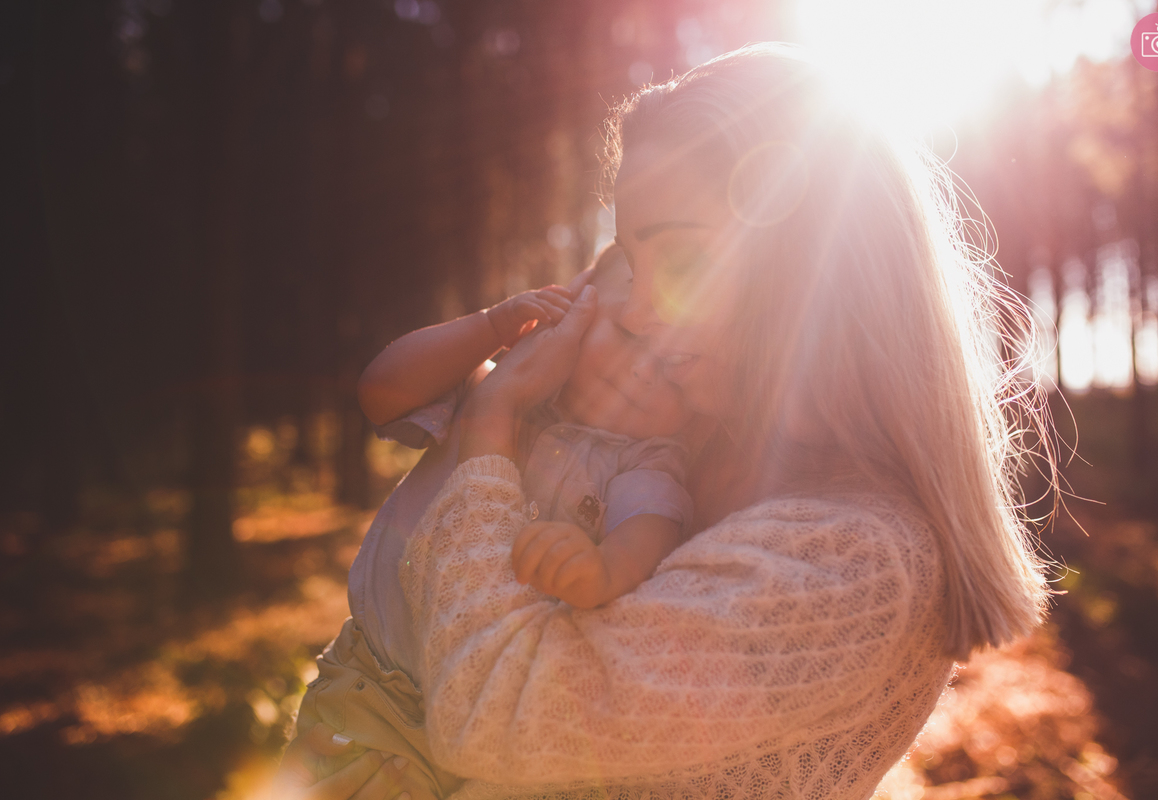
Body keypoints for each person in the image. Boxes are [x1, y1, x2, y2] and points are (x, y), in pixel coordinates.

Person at [279, 42, 1050, 800]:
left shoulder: (855, 557)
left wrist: (488, 430)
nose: (641, 314)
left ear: (813, 267)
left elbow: (494, 709)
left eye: (680, 262)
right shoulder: (701, 461)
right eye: (629, 268)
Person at [290, 243, 700, 798]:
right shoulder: (488, 383)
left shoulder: (642, 456)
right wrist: (491, 327)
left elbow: (652, 520)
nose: (641, 372)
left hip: (491, 738)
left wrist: (605, 568)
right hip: (371, 704)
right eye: (628, 337)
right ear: (574, 306)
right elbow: (381, 391)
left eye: (672, 371)